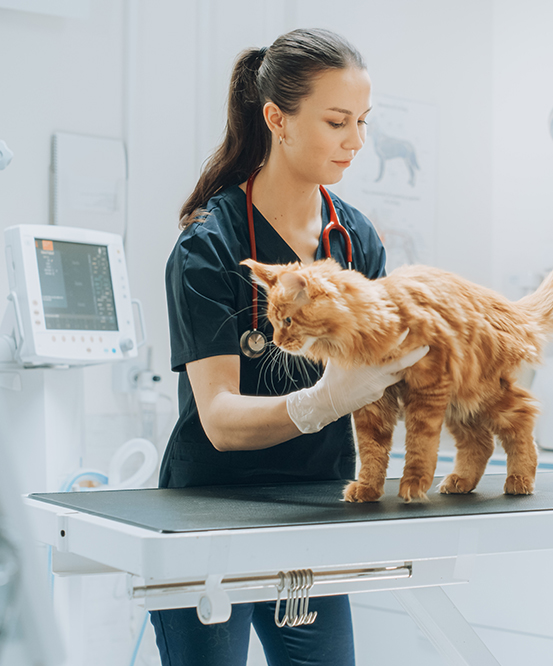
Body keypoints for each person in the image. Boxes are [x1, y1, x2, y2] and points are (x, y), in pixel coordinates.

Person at [154, 28, 427, 666]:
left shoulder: (355, 239)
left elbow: (384, 363)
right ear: (277, 118)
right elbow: (219, 420)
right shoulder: (210, 246)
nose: (356, 142)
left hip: (314, 511)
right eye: (337, 122)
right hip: (211, 513)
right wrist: (318, 403)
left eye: (362, 121)